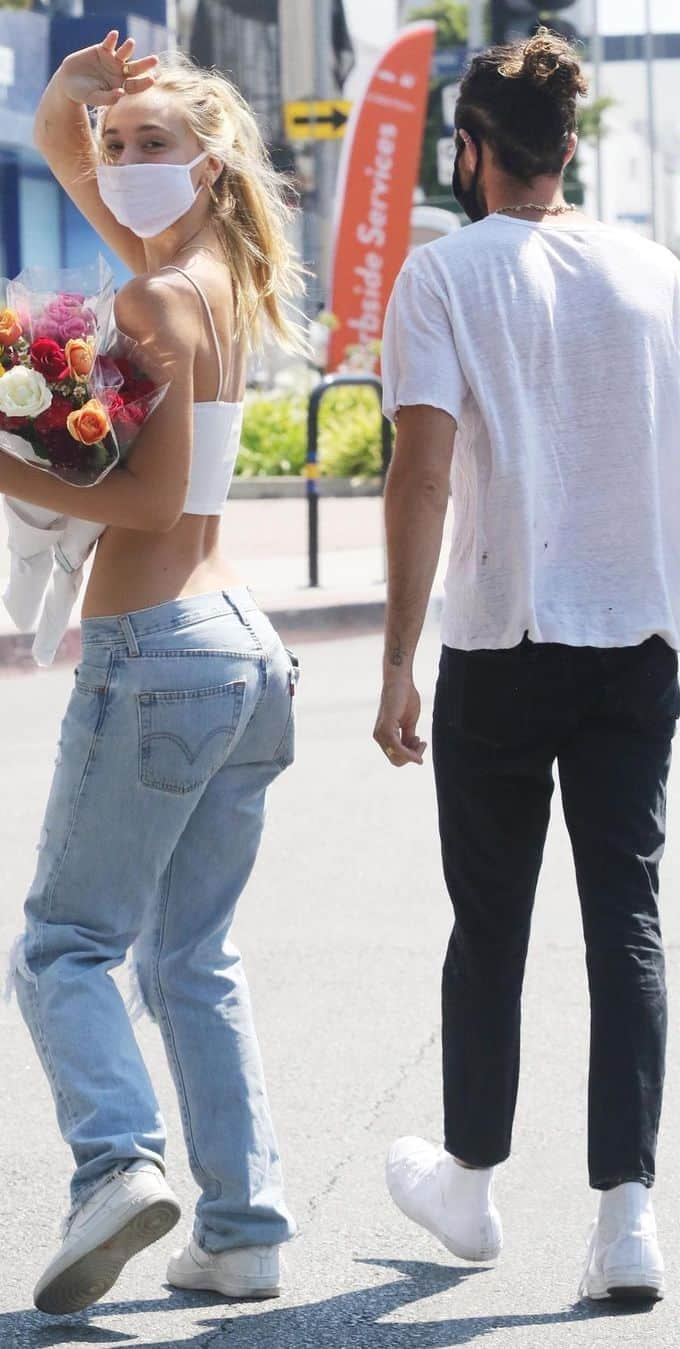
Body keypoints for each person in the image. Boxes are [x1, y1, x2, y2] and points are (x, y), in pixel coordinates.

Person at [0, 32, 306, 1315]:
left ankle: (117, 1167)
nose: (122, 163)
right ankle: (243, 1233)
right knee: (193, 957)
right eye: (121, 148)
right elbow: (56, 138)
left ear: (212, 164)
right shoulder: (220, 276)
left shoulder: (152, 298)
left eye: (154, 147)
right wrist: (95, 83)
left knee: (62, 946)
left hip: (157, 652)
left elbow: (142, 499)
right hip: (241, 647)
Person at [374, 30, 679, 1303]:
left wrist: (396, 659)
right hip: (641, 640)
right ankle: (627, 1220)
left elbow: (422, 469)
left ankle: (473, 1185)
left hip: (502, 639)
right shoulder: (655, 271)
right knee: (630, 917)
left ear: (470, 151)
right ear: (567, 145)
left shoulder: (443, 274)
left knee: (491, 920)